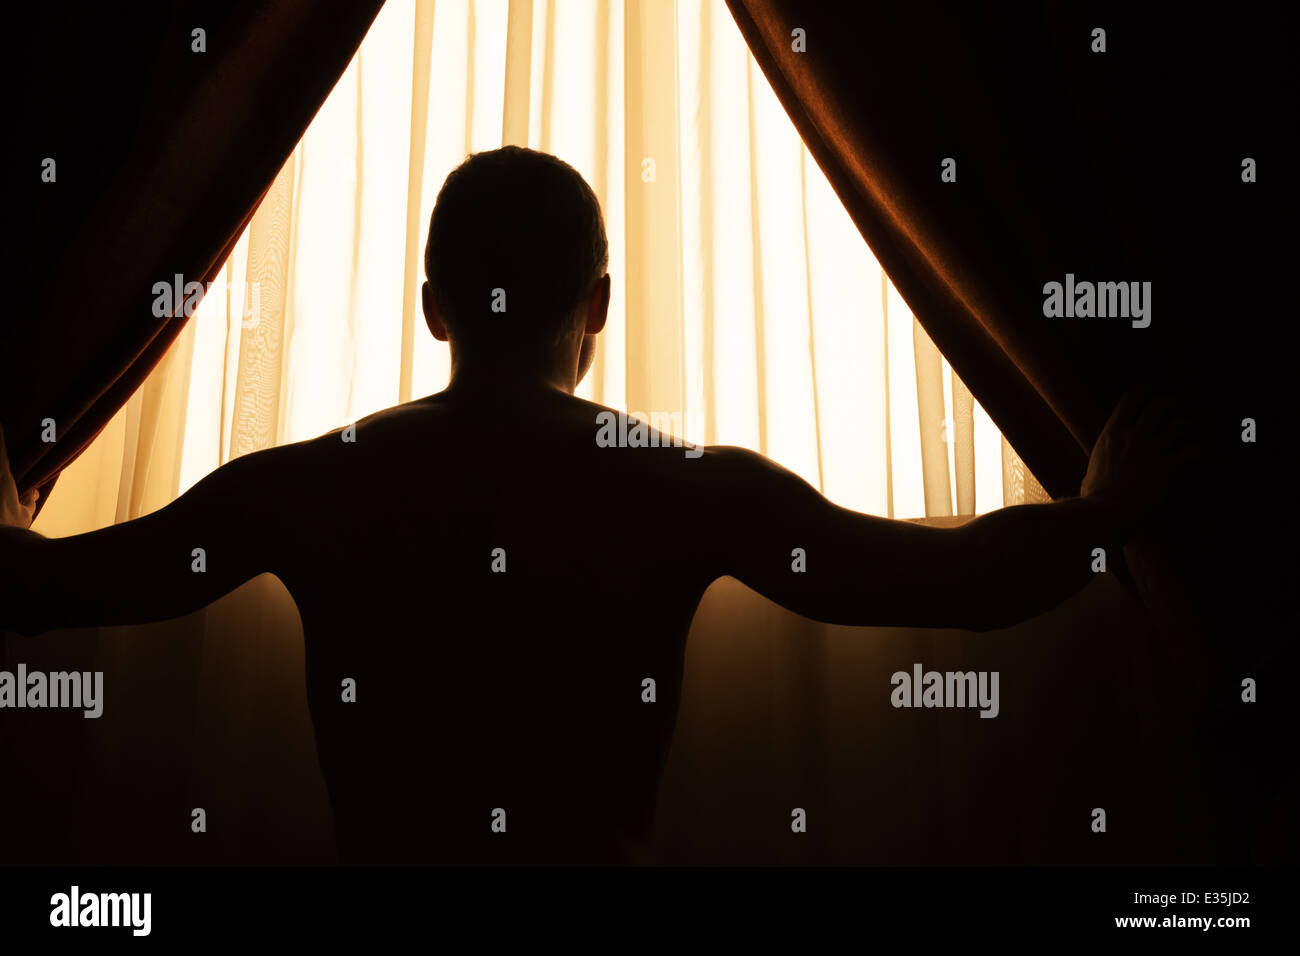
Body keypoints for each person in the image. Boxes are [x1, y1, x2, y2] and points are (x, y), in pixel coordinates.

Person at [0, 146, 1201, 864]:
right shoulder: (682, 484)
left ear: (431, 305)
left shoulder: (309, 480)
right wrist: (1106, 513)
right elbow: (951, 587)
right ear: (601, 304)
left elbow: (54, 589)